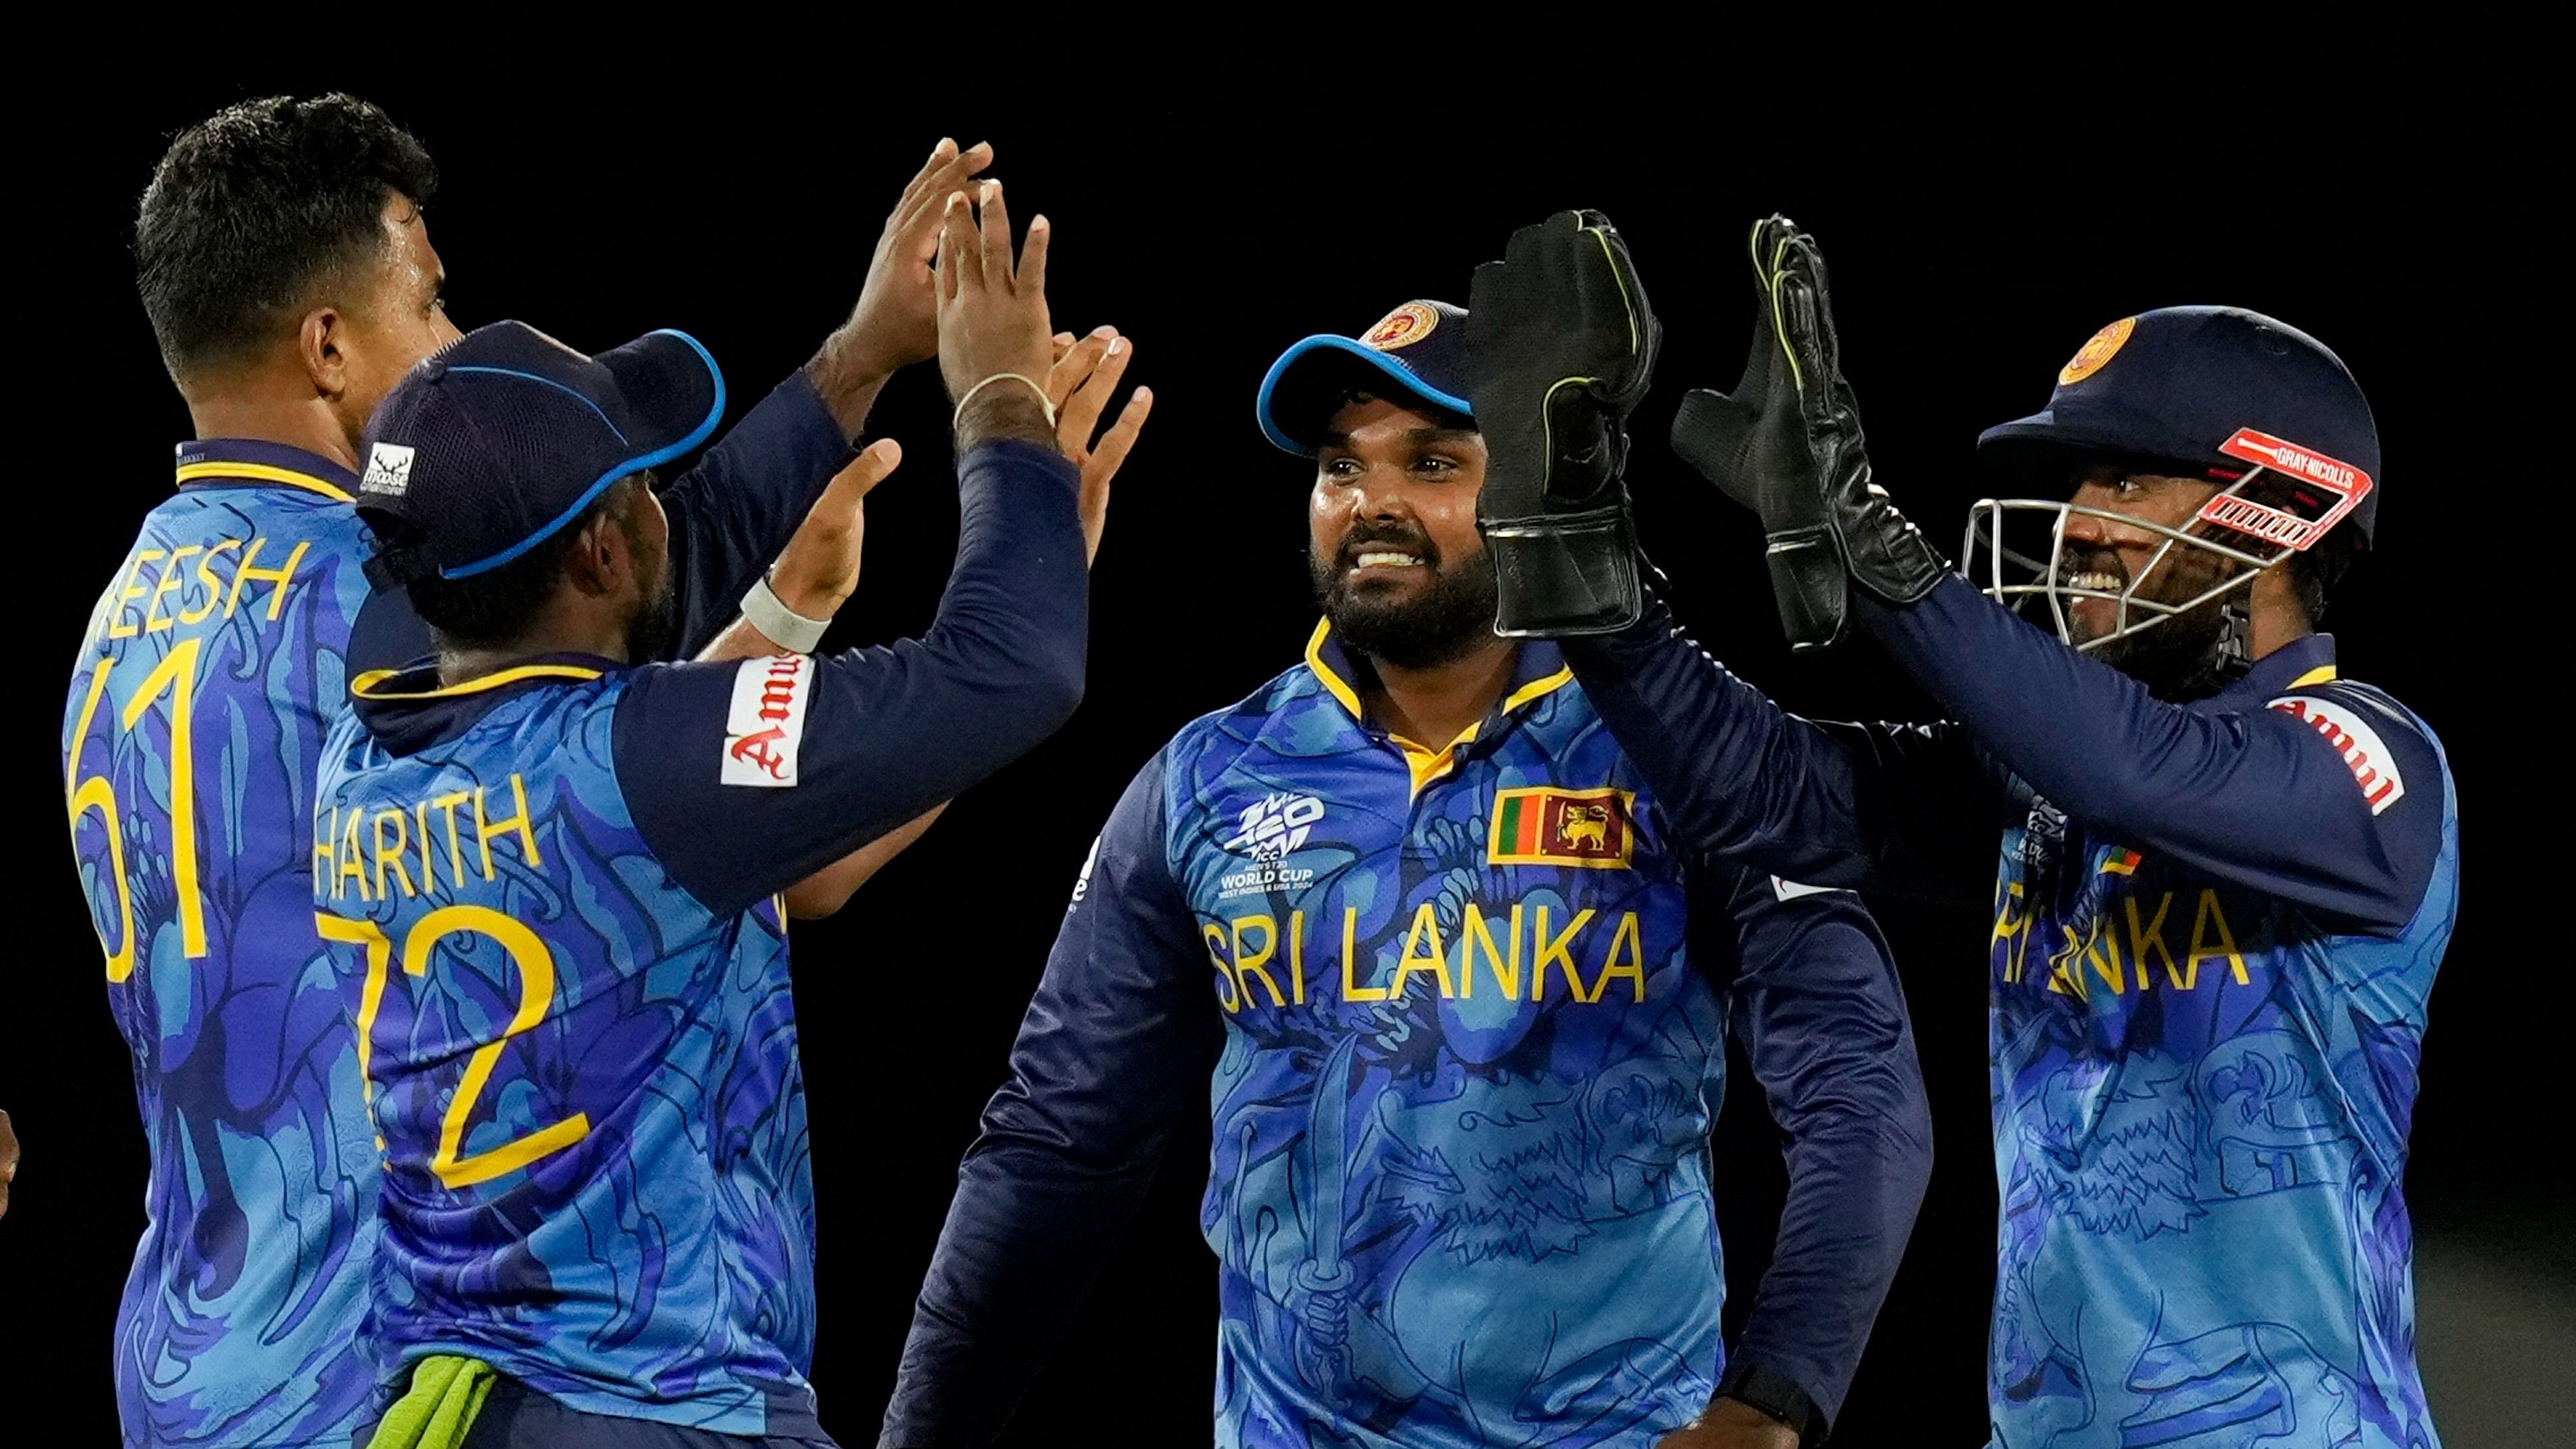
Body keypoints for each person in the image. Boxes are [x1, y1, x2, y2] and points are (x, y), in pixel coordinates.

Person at [67, 93, 1002, 1447]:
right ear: (327, 346)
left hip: (187, 1351)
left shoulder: (121, 616)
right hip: (369, 1369)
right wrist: (866, 381)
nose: (452, 346)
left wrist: (856, 362)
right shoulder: (362, 595)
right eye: (431, 306)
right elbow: (620, 585)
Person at [882, 287, 1934, 1449]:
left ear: (1539, 490)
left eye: (1434, 462)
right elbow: (1055, 1145)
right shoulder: (1208, 779)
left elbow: (1860, 1085)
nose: (1374, 502)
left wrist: (1774, 1400)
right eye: (1343, 467)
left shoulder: (1688, 755)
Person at [1555, 220, 2456, 1447]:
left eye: (2129, 478)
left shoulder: (2372, 760)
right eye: (2081, 481)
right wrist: (1589, 575)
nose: (2079, 520)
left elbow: (2138, 772)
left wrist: (1876, 549)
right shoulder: (2046, 780)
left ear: (2286, 507)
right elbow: (1764, 792)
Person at [316, 182, 1093, 1446]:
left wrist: (849, 387)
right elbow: (1017, 667)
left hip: (462, 1409)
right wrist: (1001, 403)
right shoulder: (643, 761)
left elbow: (794, 858)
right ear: (604, 556)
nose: (667, 497)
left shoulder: (363, 742)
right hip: (663, 1412)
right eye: (642, 483)